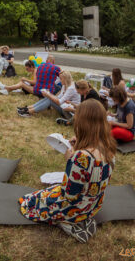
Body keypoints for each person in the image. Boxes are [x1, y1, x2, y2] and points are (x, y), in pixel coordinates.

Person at [19, 99, 116, 243]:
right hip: (93, 205)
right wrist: (79, 147)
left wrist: (70, 160)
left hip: (75, 207)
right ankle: (81, 220)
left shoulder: (80, 157)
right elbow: (93, 177)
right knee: (49, 191)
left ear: (82, 124)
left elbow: (69, 194)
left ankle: (68, 222)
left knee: (30, 202)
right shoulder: (109, 149)